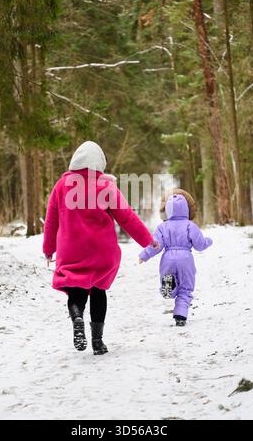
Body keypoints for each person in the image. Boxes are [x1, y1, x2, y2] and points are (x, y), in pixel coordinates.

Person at [43, 141, 156, 354]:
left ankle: (77, 318)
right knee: (98, 290)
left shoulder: (61, 186)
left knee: (76, 290)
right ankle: (97, 342)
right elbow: (127, 217)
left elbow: (51, 220)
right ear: (100, 164)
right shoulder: (106, 186)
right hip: (102, 251)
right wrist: (147, 239)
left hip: (71, 249)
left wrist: (49, 249)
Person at [139, 193, 213, 326]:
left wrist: (144, 255)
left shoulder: (163, 227)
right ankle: (180, 315)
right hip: (185, 258)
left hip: (168, 258)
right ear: (186, 209)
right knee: (186, 288)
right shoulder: (190, 225)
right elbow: (199, 244)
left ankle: (168, 288)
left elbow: (156, 245)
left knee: (168, 280)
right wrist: (208, 241)